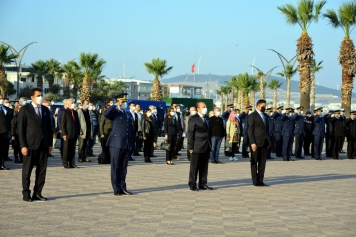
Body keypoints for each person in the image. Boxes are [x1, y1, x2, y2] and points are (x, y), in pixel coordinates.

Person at [18, 88, 53, 201]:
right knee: (27, 170)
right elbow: (21, 129)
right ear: (32, 97)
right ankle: (26, 193)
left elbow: (49, 128)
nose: (40, 97)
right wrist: (23, 145)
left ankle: (37, 193)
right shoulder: (25, 109)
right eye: (38, 95)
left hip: (43, 145)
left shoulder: (45, 110)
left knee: (42, 171)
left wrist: (50, 145)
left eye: (41, 95)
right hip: (30, 145)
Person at [104, 93, 134, 196]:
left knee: (123, 167)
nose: (124, 104)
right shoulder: (115, 113)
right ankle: (116, 188)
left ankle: (123, 187)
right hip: (116, 143)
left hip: (126, 143)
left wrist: (131, 144)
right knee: (115, 166)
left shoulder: (127, 114)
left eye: (125, 102)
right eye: (122, 102)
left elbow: (130, 130)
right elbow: (106, 114)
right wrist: (114, 105)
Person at [187, 102, 213, 191]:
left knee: (204, 166)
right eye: (203, 107)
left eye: (205, 107)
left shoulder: (207, 118)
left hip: (206, 145)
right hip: (196, 146)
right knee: (194, 166)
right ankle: (192, 184)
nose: (205, 108)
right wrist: (190, 147)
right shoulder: (193, 119)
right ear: (198, 109)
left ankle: (203, 183)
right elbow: (190, 133)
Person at [247, 99, 270, 187]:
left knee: (262, 162)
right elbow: (250, 130)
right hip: (255, 143)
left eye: (265, 106)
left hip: (264, 142)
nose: (264, 107)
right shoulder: (252, 116)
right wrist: (252, 143)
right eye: (263, 106)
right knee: (254, 161)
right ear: (258, 106)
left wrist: (268, 141)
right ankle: (254, 180)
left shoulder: (265, 115)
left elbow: (266, 129)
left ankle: (261, 180)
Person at [61, 99, 80, 168]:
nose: (73, 104)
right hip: (67, 134)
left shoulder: (75, 112)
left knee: (73, 149)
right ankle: (65, 163)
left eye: (74, 103)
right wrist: (64, 134)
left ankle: (72, 163)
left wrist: (78, 132)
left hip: (74, 133)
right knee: (66, 149)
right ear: (68, 104)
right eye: (72, 103)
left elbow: (77, 123)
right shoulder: (65, 112)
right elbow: (63, 124)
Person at [1, 97, 14, 162]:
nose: (1, 100)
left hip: (6, 131)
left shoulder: (7, 109)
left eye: (1, 99)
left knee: (5, 146)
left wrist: (10, 130)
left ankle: (3, 161)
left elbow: (10, 120)